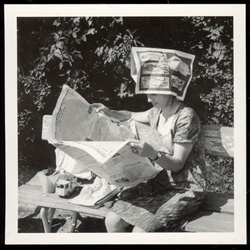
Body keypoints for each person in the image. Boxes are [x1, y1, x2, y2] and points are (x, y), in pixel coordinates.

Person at [91, 93, 207, 233]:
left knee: (140, 232)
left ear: (169, 91)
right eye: (147, 94)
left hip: (185, 190)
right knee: (112, 221)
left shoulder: (186, 117)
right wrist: (110, 112)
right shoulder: (156, 112)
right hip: (159, 184)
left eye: (153, 94)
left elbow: (178, 165)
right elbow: (129, 115)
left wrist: (153, 154)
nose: (148, 99)